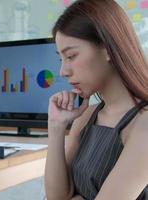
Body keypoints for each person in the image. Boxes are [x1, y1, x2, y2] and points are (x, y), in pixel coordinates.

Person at [44, 0, 148, 199]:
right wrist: (56, 127)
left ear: (107, 49)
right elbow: (56, 197)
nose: (63, 72)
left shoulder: (144, 124)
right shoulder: (87, 117)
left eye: (71, 56)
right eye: (61, 59)